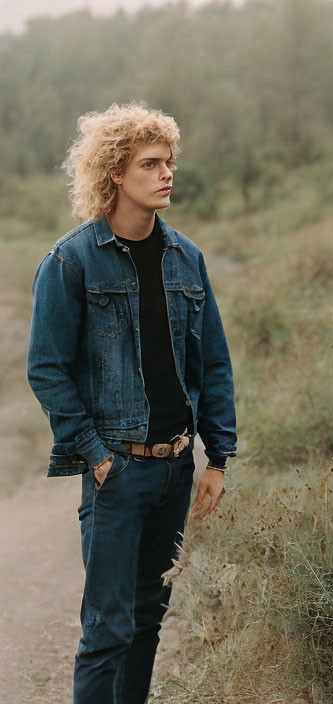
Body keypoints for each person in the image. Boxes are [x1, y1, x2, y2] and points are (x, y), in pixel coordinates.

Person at [26, 102, 237, 704]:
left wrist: (217, 458)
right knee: (106, 631)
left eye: (169, 162)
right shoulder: (71, 261)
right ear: (115, 172)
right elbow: (46, 369)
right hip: (117, 472)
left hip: (176, 469)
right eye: (150, 163)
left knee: (147, 623)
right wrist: (94, 456)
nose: (166, 173)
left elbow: (214, 365)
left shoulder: (186, 258)